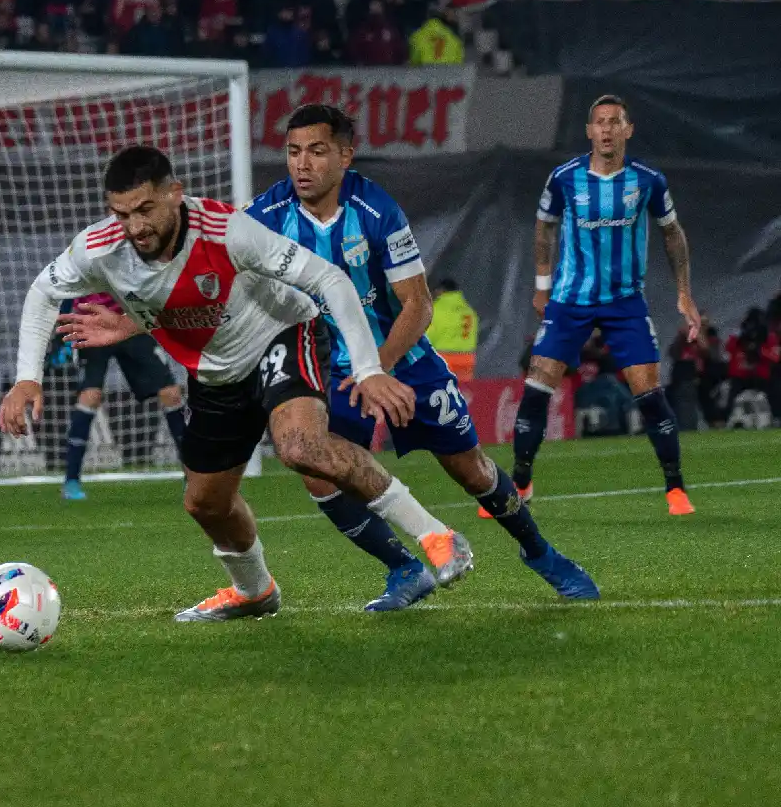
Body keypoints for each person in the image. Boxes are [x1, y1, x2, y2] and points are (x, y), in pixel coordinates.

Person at [5, 145, 469, 621]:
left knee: (300, 447)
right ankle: (254, 591)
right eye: (121, 213)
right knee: (205, 503)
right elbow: (44, 291)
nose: (135, 226)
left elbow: (330, 279)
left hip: (282, 335)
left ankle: (435, 535)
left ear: (175, 195)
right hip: (214, 373)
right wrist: (27, 379)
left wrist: (369, 370)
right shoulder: (99, 247)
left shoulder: (228, 231)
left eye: (145, 209)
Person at [246, 105, 594, 597]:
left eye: (317, 152)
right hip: (327, 370)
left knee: (469, 468)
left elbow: (419, 305)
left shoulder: (375, 210)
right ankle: (405, 568)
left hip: (401, 358)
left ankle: (540, 552)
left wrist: (378, 367)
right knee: (316, 469)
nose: (302, 165)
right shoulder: (264, 216)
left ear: (346, 156)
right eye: (293, 152)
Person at [512, 94, 700, 517]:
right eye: (599, 122)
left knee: (648, 389)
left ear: (628, 130)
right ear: (589, 132)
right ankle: (520, 481)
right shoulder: (564, 178)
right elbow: (544, 226)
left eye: (615, 122)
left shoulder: (648, 181)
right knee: (538, 382)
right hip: (570, 300)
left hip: (624, 302)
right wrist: (542, 285)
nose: (607, 129)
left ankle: (675, 488)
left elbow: (672, 234)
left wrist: (684, 292)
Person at [57, 292, 186, 501]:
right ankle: (71, 480)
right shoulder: (80, 261)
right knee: (91, 395)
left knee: (171, 393)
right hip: (92, 322)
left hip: (129, 321)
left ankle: (194, 475)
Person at [426, 278, 478, 382]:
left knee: (442, 392)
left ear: (440, 291)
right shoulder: (469, 310)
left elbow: (429, 336)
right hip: (467, 358)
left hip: (444, 358)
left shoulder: (436, 309)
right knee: (464, 392)